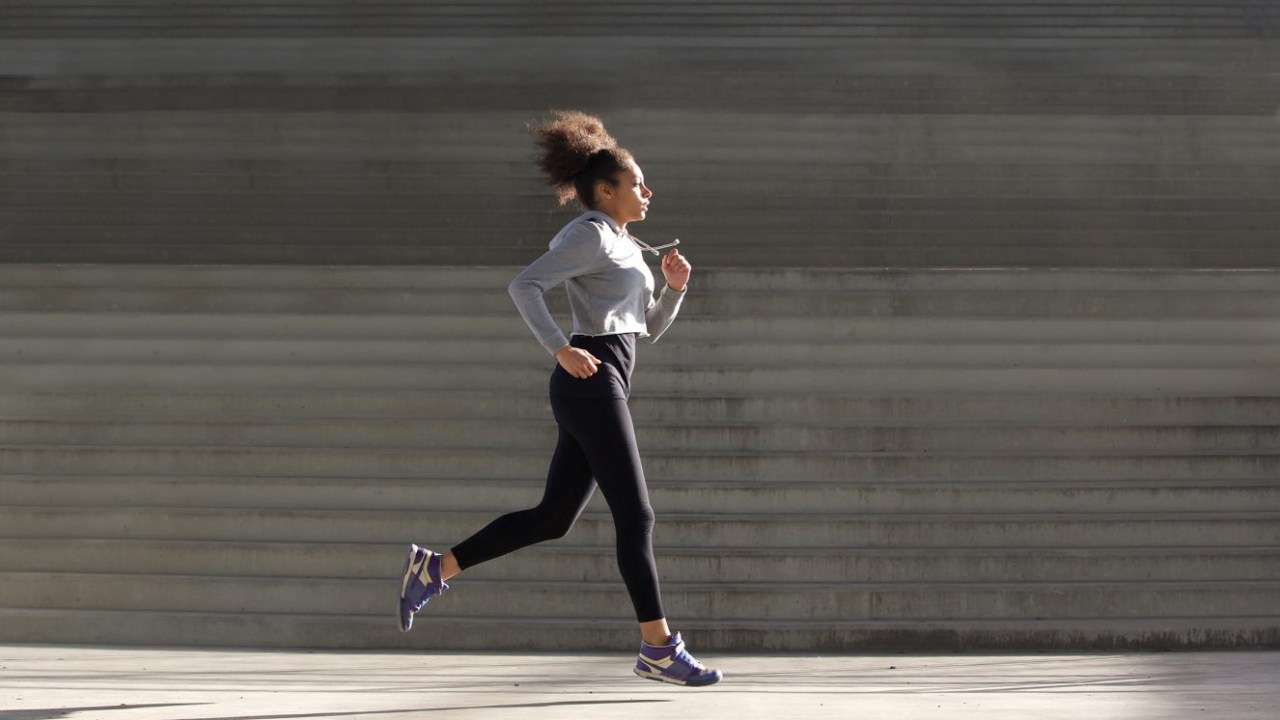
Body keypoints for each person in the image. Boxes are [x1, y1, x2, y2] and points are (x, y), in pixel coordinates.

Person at [397, 110, 722, 687]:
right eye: (637, 183)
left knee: (553, 518)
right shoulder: (590, 234)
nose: (648, 192)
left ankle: (433, 568)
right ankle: (659, 647)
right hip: (589, 380)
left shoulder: (622, 243)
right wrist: (559, 349)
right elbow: (523, 285)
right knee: (637, 515)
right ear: (605, 190)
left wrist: (673, 291)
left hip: (609, 377)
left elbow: (643, 326)